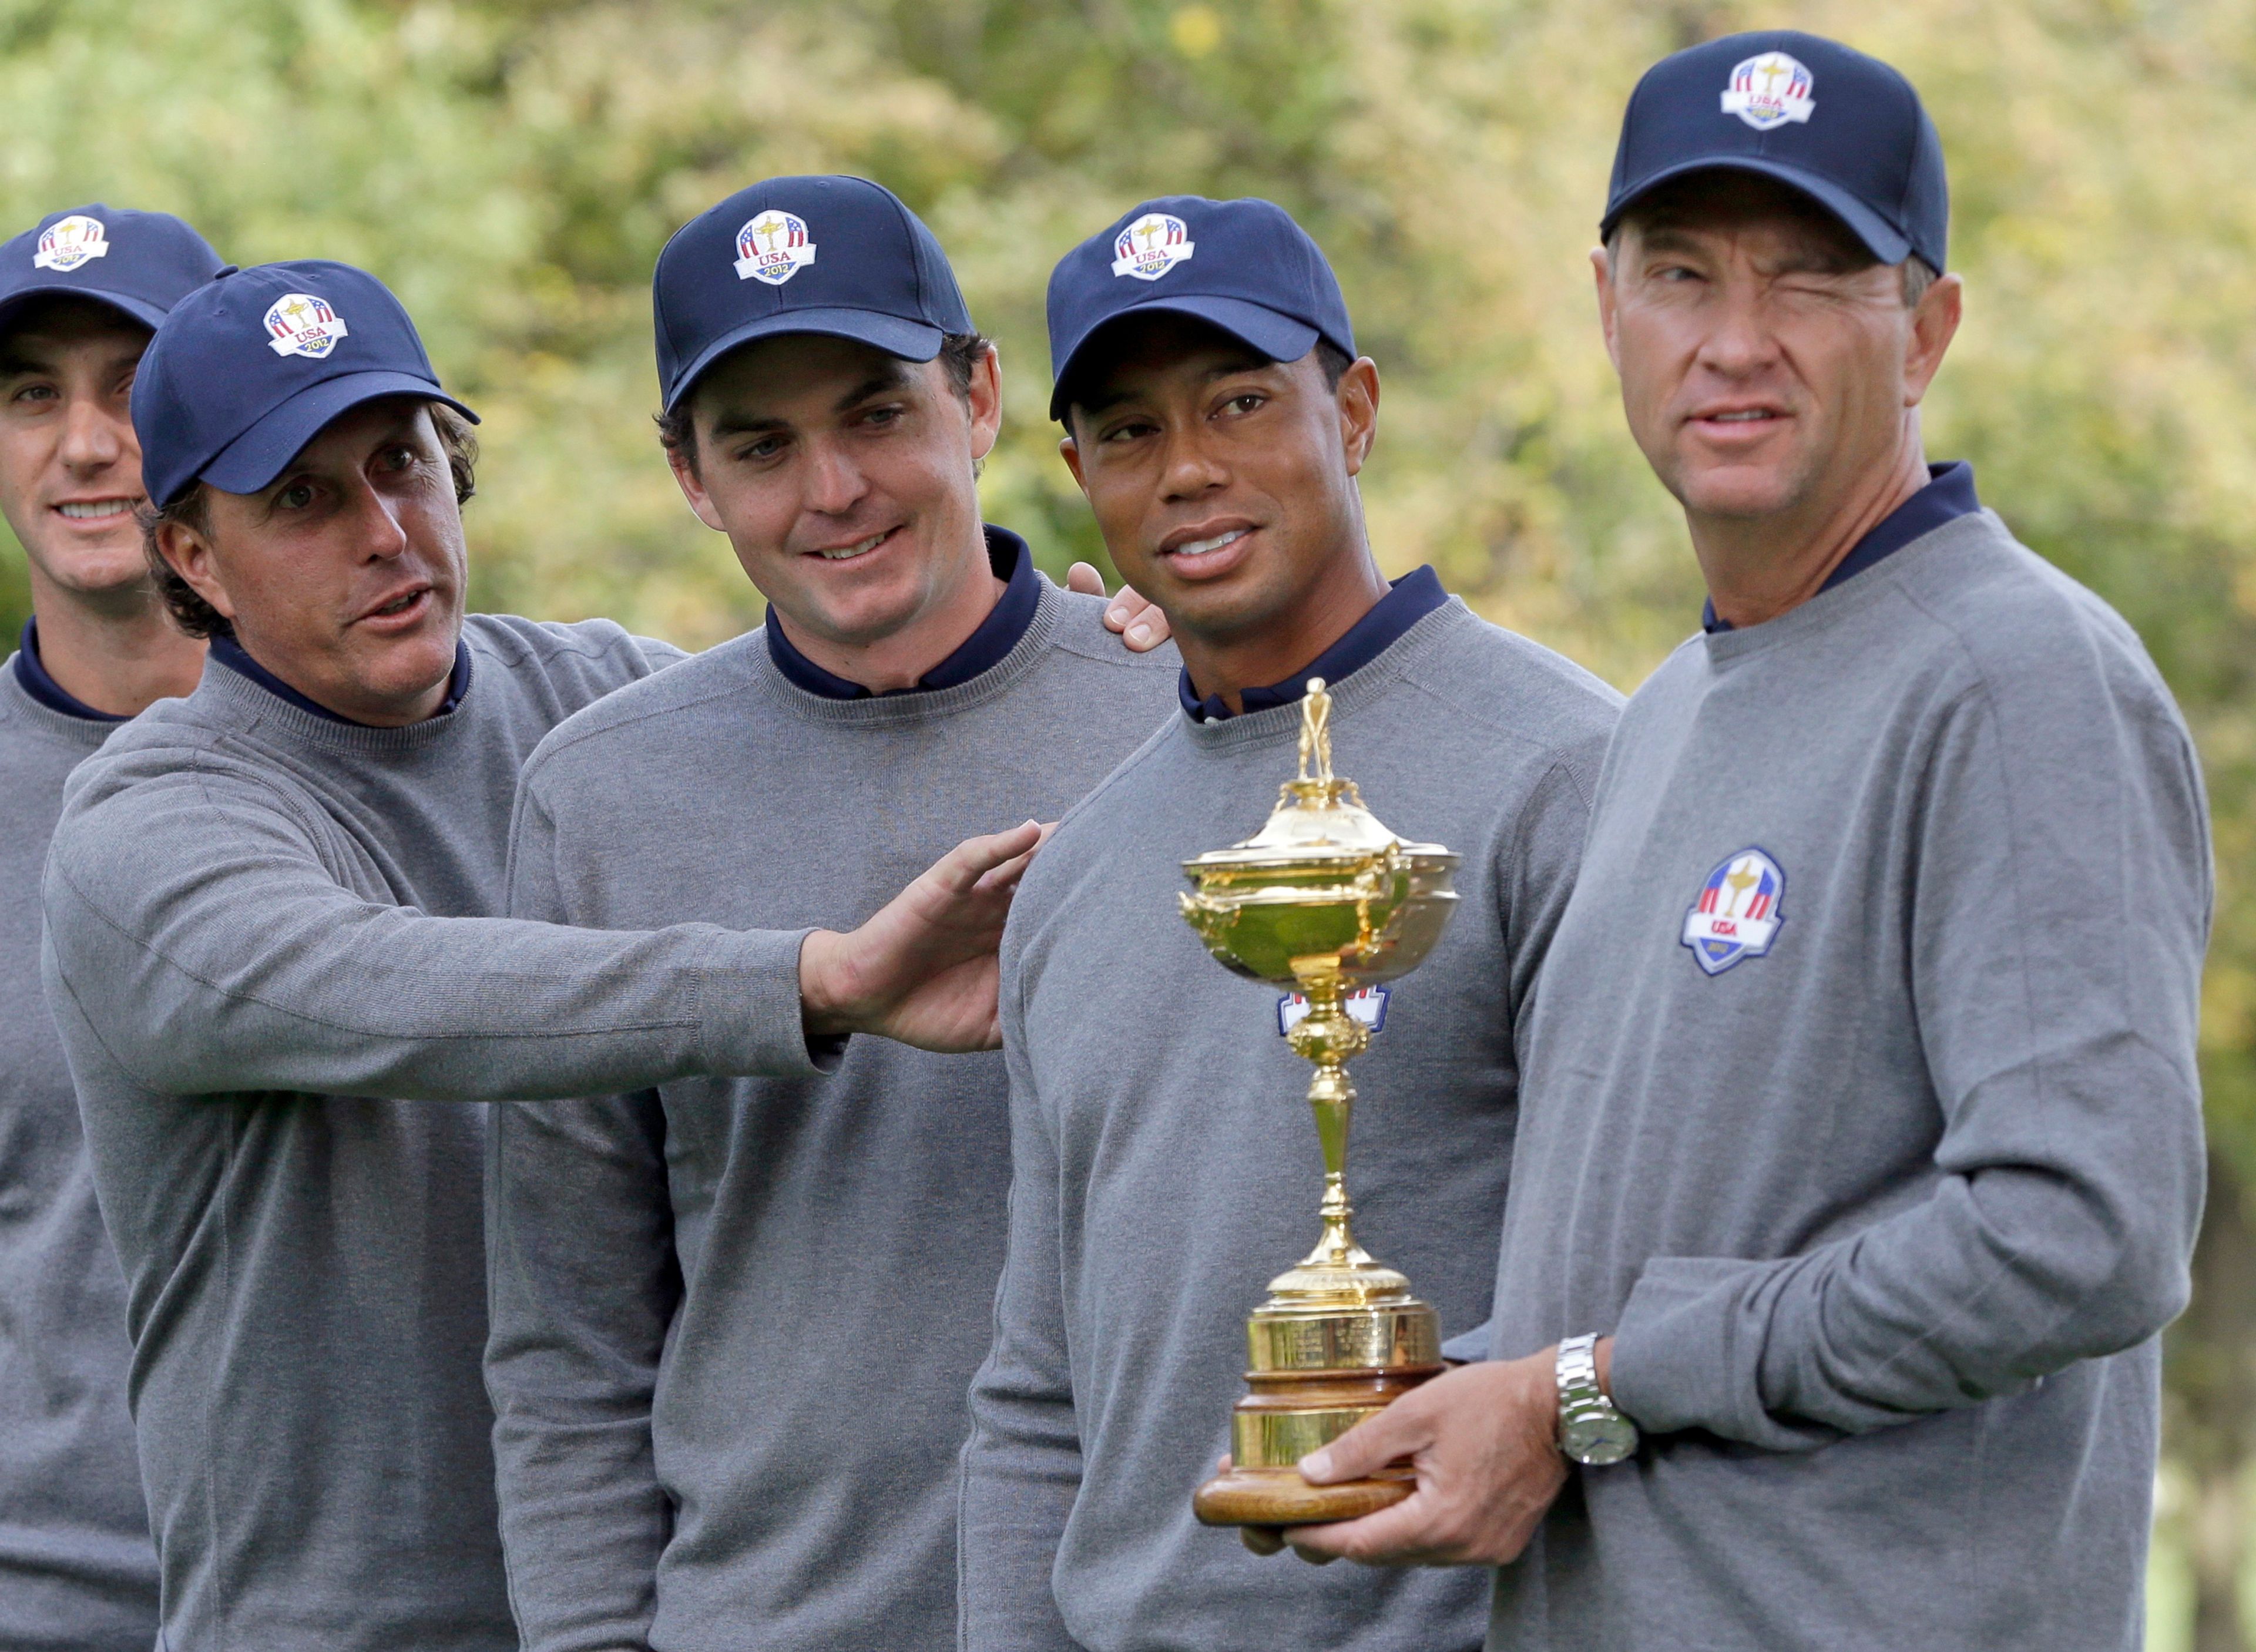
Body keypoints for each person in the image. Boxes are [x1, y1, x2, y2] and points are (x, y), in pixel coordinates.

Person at [1271, 32, 2211, 1652]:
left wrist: (1582, 1387)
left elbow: (2081, 1234)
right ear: (1606, 311)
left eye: (1811, 282)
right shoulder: (1659, 723)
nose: (1735, 343)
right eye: (1683, 276)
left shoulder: (2014, 674)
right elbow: (1686, 1251)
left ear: (1926, 332)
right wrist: (1473, 1382)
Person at [38, 257, 1058, 1652]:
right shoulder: (149, 822)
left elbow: (852, 736)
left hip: (639, 1584)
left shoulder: (602, 702)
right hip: (342, 1620)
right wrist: (803, 980)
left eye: (401, 462)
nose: (386, 530)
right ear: (192, 558)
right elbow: (395, 988)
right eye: (303, 502)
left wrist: (1087, 657)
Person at [481, 173, 1181, 1652]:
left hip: (1137, 1612)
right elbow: (571, 1347)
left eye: (875, 413)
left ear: (978, 396)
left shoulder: (1185, 717)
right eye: (762, 444)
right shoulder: (600, 798)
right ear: (689, 475)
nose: (834, 491)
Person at [956, 196, 1622, 1652]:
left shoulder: (1577, 772)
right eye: (1129, 431)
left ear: (1358, 409)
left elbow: (1655, 1273)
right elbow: (1034, 1390)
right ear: (1077, 473)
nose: (1189, 470)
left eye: (1243, 402)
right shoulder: (1082, 870)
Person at [0, 203, 219, 1652]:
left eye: (133, 388)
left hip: (421, 1599)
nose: (85, 444)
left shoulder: (457, 739)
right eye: (31, 393)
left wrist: (1053, 672)